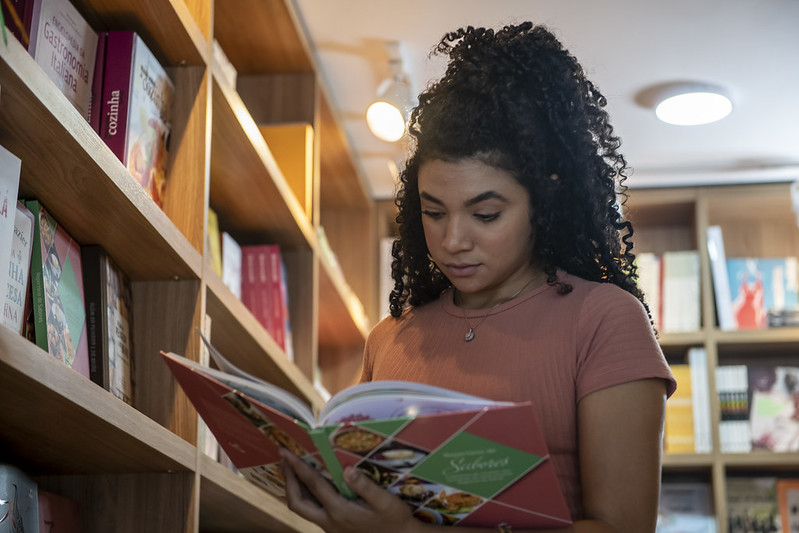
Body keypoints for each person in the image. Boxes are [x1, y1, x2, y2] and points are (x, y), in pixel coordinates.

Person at [280, 21, 677, 532]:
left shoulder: (605, 321)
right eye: (434, 212)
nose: (452, 241)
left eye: (485, 215)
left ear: (545, 198)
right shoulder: (390, 338)